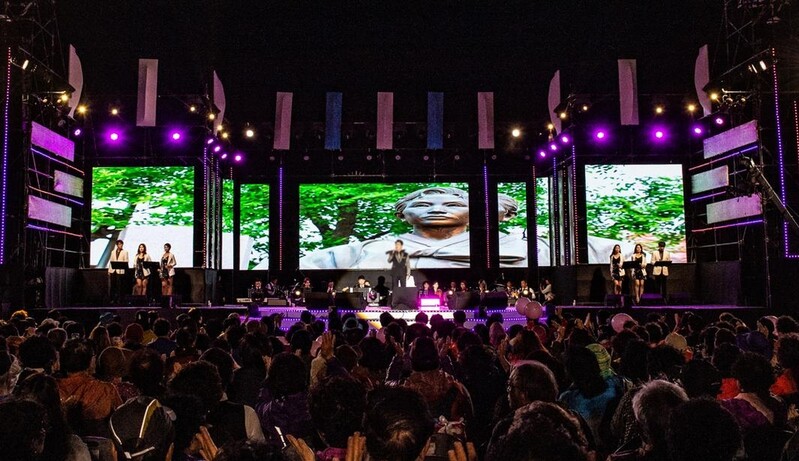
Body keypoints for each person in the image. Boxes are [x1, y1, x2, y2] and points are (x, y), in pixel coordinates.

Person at [108, 239, 129, 304]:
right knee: (113, 285)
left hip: (120, 271)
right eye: (119, 244)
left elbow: (126, 261)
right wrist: (109, 270)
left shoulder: (125, 252)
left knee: (119, 286)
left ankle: (119, 299)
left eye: (121, 244)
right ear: (117, 245)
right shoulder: (113, 252)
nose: (120, 245)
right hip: (113, 270)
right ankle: (112, 299)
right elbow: (111, 261)